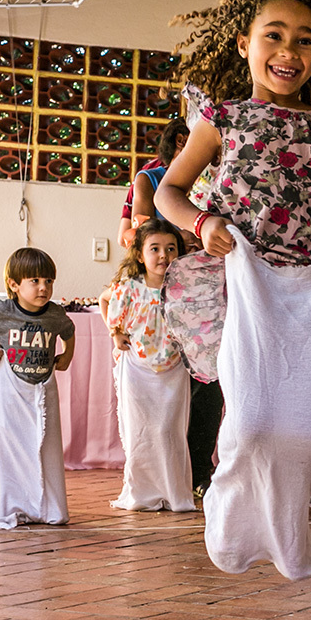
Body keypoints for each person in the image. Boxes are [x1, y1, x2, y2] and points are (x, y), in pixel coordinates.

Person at [154, 0, 311, 580]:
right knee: (255, 418)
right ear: (244, 45)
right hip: (248, 281)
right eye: (274, 36)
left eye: (304, 41)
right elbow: (168, 190)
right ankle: (231, 505)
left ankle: (287, 528)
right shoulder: (223, 118)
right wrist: (201, 218)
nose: (288, 51)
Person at [0, 248, 75, 529]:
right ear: (14, 284)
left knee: (45, 444)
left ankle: (49, 506)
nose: (44, 287)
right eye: (35, 281)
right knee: (13, 445)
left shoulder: (54, 314)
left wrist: (67, 355)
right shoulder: (2, 313)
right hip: (11, 391)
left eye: (48, 281)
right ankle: (15, 503)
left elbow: (68, 331)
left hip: (42, 388)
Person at [99, 218, 195, 513]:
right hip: (137, 370)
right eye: (155, 249)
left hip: (173, 369)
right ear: (140, 254)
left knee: (169, 430)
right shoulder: (129, 288)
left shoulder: (183, 288)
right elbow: (104, 301)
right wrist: (114, 332)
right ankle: (142, 492)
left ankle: (173, 492)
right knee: (140, 430)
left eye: (170, 249)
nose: (163, 256)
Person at [117, 118, 188, 248]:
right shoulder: (148, 177)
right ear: (181, 140)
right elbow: (132, 237)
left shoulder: (214, 175)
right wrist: (180, 238)